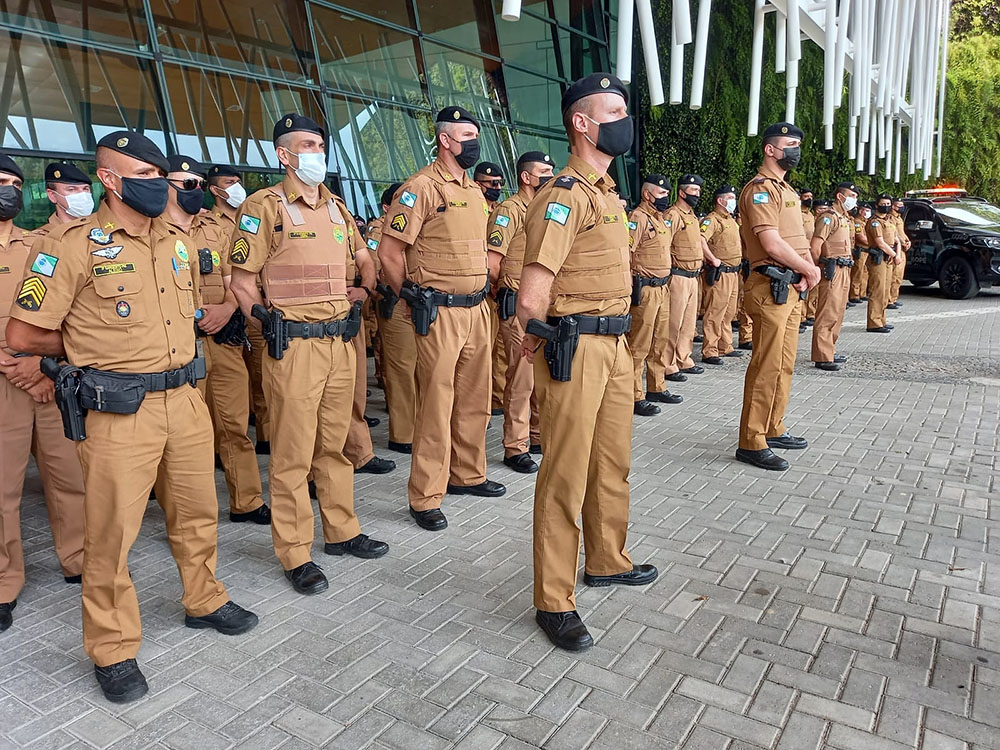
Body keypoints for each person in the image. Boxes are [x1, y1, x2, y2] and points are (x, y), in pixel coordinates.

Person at [6, 132, 258, 703]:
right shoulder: (72, 245)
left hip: (185, 399)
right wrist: (79, 349)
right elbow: (23, 333)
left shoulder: (175, 238)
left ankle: (205, 598)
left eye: (159, 172)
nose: (158, 182)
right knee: (111, 535)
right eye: (144, 172)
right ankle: (113, 647)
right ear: (113, 180)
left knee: (196, 512)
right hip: (120, 412)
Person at [518, 73, 658, 652]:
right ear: (582, 122)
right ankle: (553, 599)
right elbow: (531, 296)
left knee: (611, 464)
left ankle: (606, 558)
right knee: (565, 476)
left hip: (615, 346)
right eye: (615, 109)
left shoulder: (606, 195)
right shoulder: (565, 197)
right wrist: (541, 348)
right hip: (574, 348)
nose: (625, 119)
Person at [228, 113, 389, 596]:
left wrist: (362, 289)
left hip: (340, 342)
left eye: (321, 143)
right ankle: (295, 551)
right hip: (294, 345)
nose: (317, 152)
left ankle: (341, 531)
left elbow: (364, 258)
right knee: (293, 453)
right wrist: (262, 316)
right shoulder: (265, 207)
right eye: (307, 145)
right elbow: (239, 280)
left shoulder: (337, 208)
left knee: (334, 445)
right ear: (284, 155)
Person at [378, 106, 507, 533]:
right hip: (439, 312)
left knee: (474, 398)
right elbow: (390, 252)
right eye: (466, 135)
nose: (474, 141)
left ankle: (467, 474)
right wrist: (407, 294)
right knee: (436, 402)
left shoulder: (472, 191)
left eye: (476, 134)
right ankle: (426, 495)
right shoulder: (420, 188)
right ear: (445, 140)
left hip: (476, 309)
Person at [0, 154, 85, 634]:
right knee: (2, 489)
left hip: (45, 377)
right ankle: (4, 582)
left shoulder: (41, 245)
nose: (9, 189)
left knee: (69, 475)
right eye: (1, 181)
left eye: (15, 182)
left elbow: (65, 312)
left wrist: (42, 366)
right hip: (2, 384)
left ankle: (78, 558)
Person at [161, 155, 269, 524]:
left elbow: (235, 282)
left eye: (196, 183)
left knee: (234, 426)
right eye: (184, 183)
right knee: (180, 440)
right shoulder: (150, 229)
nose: (193, 190)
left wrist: (225, 309)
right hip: (174, 349)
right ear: (166, 186)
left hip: (221, 340)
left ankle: (248, 501)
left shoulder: (217, 229)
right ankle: (186, 515)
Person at [734, 122, 820, 472]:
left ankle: (773, 425)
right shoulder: (760, 190)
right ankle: (751, 440)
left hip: (789, 286)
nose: (796, 149)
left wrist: (806, 267)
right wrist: (809, 270)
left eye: (798, 143)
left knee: (784, 364)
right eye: (789, 143)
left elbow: (796, 239)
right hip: (771, 287)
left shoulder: (786, 190)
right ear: (771, 150)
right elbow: (770, 243)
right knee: (766, 365)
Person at [487, 151, 554, 471]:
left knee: (539, 374)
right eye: (544, 171)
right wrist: (504, 296)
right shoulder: (509, 210)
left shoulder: (547, 210)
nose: (549, 175)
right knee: (521, 378)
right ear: (526, 177)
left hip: (542, 305)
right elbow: (493, 263)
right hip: (517, 306)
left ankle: (538, 434)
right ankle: (515, 446)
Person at [207, 165, 271, 454]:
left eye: (237, 181)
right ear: (215, 190)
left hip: (258, 305)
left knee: (263, 374)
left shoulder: (255, 217)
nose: (236, 186)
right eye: (229, 182)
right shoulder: (207, 224)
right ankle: (227, 443)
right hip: (227, 317)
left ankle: (267, 436)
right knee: (230, 387)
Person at [626, 173, 682, 417]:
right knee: (640, 343)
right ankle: (634, 395)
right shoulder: (637, 218)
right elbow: (628, 252)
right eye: (661, 194)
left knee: (660, 339)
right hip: (646, 289)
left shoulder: (660, 219)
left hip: (663, 287)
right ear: (647, 194)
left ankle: (656, 386)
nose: (665, 198)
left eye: (667, 194)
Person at [369, 183, 416, 454]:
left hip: (417, 302)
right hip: (395, 303)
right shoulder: (380, 230)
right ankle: (403, 434)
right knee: (401, 371)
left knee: (420, 368)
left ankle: (419, 424)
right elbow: (376, 267)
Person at [662, 174, 709, 384]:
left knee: (689, 323)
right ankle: (667, 364)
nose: (697, 195)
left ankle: (684, 358)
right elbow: (665, 244)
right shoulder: (673, 214)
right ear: (682, 192)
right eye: (693, 191)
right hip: (678, 275)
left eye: (698, 191)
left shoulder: (691, 215)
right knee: (674, 323)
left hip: (693, 276)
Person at [810, 182, 858, 371]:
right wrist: (815, 268)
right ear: (840, 196)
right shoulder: (828, 218)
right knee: (827, 312)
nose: (854, 200)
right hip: (832, 269)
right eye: (851, 195)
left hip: (845, 268)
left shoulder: (844, 218)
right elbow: (815, 246)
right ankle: (822, 355)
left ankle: (829, 349)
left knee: (838, 312)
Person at [475, 161, 508, 417]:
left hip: (498, 290)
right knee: (482, 354)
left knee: (498, 349)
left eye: (500, 184)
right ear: (479, 183)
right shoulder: (474, 209)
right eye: (492, 184)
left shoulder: (498, 210)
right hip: (481, 291)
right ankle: (482, 405)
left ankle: (496, 399)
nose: (497, 188)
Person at [699, 185, 744, 365]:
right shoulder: (712, 220)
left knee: (729, 312)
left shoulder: (730, 220)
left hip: (734, 273)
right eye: (731, 198)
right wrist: (712, 258)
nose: (734, 202)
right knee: (715, 311)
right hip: (720, 272)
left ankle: (725, 345)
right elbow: (701, 239)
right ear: (720, 200)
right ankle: (710, 350)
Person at [865, 194, 899, 334]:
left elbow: (896, 239)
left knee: (885, 291)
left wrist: (897, 253)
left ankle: (881, 319)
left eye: (888, 204)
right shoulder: (874, 222)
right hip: (878, 257)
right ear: (876, 205)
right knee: (877, 290)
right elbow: (879, 242)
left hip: (889, 257)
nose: (885, 206)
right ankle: (874, 322)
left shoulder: (889, 220)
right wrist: (895, 255)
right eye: (883, 203)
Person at [36, 161, 95, 234]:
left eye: (85, 189)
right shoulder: (42, 238)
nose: (82, 194)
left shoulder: (103, 229)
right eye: (71, 189)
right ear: (52, 195)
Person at [887, 198, 910, 309]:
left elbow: (902, 232)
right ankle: (888, 300)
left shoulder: (899, 218)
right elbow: (894, 234)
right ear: (893, 206)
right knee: (893, 275)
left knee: (899, 276)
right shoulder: (890, 218)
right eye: (899, 205)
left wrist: (908, 240)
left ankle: (894, 298)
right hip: (896, 248)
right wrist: (902, 242)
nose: (902, 207)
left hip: (902, 249)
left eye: (902, 205)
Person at [849, 203, 873, 303]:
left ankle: (862, 293)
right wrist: (873, 243)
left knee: (865, 273)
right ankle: (854, 295)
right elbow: (860, 237)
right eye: (866, 211)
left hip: (867, 251)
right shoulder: (857, 222)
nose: (868, 213)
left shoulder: (866, 222)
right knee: (857, 272)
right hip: (861, 250)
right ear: (860, 211)